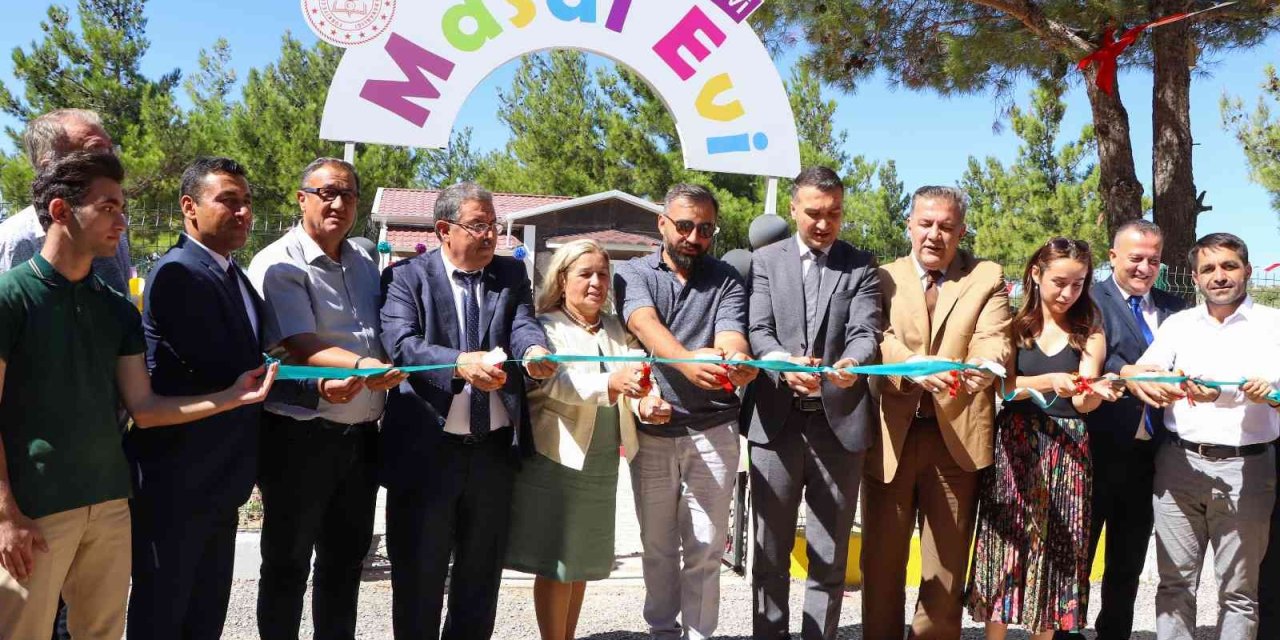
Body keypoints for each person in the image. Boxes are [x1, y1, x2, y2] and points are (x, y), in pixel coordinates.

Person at [0, 151, 276, 639]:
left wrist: (234, 396)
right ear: (61, 210)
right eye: (108, 207)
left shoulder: (117, 311)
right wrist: (6, 515)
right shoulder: (10, 299)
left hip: (109, 502)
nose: (122, 222)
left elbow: (145, 409)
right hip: (36, 509)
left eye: (123, 208)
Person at [126, 157, 320, 640]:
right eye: (228, 201)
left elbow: (257, 360)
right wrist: (317, 386)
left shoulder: (232, 275)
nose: (243, 212)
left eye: (247, 202)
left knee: (205, 617)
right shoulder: (179, 274)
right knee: (163, 616)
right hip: (178, 480)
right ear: (189, 207)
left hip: (220, 479)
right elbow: (231, 367)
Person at [379, 181, 555, 640]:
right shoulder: (405, 277)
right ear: (444, 230)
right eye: (478, 225)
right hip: (426, 453)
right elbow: (402, 345)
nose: (491, 234)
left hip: (492, 454)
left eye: (494, 224)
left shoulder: (510, 274)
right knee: (419, 579)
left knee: (480, 581)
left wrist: (533, 352)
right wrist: (459, 363)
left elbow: (523, 325)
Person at [247, 157, 407, 640]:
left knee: (344, 562)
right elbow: (300, 343)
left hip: (360, 438)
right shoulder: (280, 262)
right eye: (327, 193)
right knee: (288, 564)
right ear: (302, 199)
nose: (338, 203)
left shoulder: (363, 260)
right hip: (300, 437)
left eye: (348, 194)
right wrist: (363, 366)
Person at [861, 185, 1013, 640]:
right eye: (925, 223)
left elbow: (994, 337)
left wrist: (984, 367)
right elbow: (874, 334)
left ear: (961, 231)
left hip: (955, 440)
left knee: (946, 569)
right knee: (881, 563)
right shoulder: (881, 277)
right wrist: (912, 366)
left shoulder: (986, 276)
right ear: (909, 225)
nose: (934, 235)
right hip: (891, 436)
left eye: (946, 226)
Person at [505, 239, 673, 640]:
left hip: (601, 458)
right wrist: (611, 383)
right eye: (586, 274)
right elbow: (554, 384)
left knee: (578, 562)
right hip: (557, 456)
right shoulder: (544, 326)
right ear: (563, 280)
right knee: (557, 562)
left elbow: (637, 376)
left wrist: (647, 403)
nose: (597, 282)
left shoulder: (616, 327)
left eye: (603, 274)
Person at [612, 183, 758, 640]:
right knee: (657, 547)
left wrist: (735, 360)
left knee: (706, 548)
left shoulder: (727, 278)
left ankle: (699, 635)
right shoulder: (632, 273)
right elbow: (644, 324)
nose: (695, 237)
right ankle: (661, 631)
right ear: (662, 224)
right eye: (685, 225)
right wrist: (689, 362)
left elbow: (731, 333)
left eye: (706, 229)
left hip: (714, 428)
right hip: (653, 432)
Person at [746, 167, 882, 640]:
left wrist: (851, 362)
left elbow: (866, 331)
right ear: (793, 209)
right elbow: (758, 330)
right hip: (775, 425)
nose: (824, 224)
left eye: (834, 214)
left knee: (829, 556)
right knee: (769, 553)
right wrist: (783, 364)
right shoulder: (765, 261)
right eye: (814, 213)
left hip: (838, 427)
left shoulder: (860, 265)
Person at [1122, 233, 1280, 640]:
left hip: (1247, 469)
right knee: (1174, 585)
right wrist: (1163, 381)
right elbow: (1145, 371)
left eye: (1229, 266)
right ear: (1195, 278)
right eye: (1208, 269)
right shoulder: (1179, 325)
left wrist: (1272, 394)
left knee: (1239, 592)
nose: (1219, 276)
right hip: (1179, 466)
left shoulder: (1274, 324)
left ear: (1247, 270)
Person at [965, 238, 1121, 638]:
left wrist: (1093, 393)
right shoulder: (1014, 325)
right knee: (1005, 546)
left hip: (1068, 449)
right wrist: (1051, 380)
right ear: (1036, 274)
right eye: (1060, 282)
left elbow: (1083, 401)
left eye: (1078, 284)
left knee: (1057, 554)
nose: (1068, 293)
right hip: (1016, 444)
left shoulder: (1089, 330)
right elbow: (1005, 389)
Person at [1053, 220, 1186, 640]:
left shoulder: (1176, 308)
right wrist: (1126, 372)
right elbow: (1078, 357)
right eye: (1136, 258)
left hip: (1151, 454)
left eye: (1154, 260)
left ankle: (1114, 633)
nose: (1145, 268)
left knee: (1127, 561)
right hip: (1093, 449)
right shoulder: (1087, 300)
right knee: (1076, 555)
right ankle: (1066, 634)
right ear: (1113, 257)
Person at [0, 109, 131, 294]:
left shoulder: (114, 227)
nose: (112, 160)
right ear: (49, 167)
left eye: (110, 150)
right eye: (96, 150)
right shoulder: (17, 242)